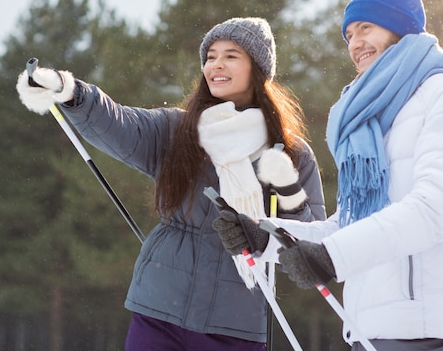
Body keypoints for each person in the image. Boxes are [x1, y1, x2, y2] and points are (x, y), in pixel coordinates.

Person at [214, 0, 443, 351]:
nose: (355, 43)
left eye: (366, 27)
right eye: (349, 34)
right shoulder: (377, 122)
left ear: (401, 27)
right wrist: (266, 236)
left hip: (429, 332)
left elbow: (435, 209)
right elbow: (351, 225)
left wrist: (334, 257)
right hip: (368, 330)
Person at [16, 17, 326, 351]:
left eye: (231, 55)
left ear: (258, 68)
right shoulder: (179, 131)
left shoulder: (291, 153)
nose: (216, 64)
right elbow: (122, 124)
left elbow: (312, 244)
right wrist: (71, 91)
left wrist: (289, 191)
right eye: (210, 57)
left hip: (235, 325)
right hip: (159, 311)